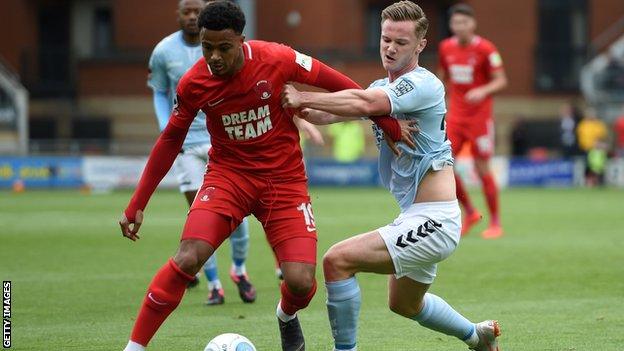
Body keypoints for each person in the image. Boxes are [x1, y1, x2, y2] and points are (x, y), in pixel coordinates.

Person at [118, 2, 411, 350]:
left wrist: (386, 121)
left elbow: (338, 83)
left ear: (241, 41)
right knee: (188, 256)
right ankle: (133, 347)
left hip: (284, 182)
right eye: (207, 47)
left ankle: (285, 314)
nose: (214, 57)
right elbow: (170, 140)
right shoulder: (194, 83)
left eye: (223, 48)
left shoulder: (278, 58)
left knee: (301, 282)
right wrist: (138, 203)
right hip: (229, 178)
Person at [281, 2, 500, 350]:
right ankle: (478, 336)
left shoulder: (423, 83)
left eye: (401, 41)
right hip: (417, 215)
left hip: (435, 219)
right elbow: (338, 110)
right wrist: (297, 107)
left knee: (337, 261)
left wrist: (304, 95)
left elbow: (365, 104)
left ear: (420, 46)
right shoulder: (381, 86)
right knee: (404, 304)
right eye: (385, 39)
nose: (391, 48)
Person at [148, 0, 256, 305]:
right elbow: (159, 90)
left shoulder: (224, 41)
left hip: (224, 139)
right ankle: (214, 285)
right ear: (179, 14)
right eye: (187, 11)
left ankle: (239, 270)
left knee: (236, 215)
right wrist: (166, 127)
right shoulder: (163, 52)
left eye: (197, 11)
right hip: (188, 145)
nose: (192, 16)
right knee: (199, 215)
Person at [437, 3, 508, 239]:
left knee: (481, 167)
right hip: (456, 116)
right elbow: (443, 77)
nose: (460, 27)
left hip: (479, 118)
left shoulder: (486, 49)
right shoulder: (445, 48)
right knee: (444, 165)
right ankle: (469, 212)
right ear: (451, 26)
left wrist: (483, 90)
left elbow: (501, 80)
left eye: (464, 22)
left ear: (473, 24)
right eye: (455, 23)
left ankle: (495, 222)